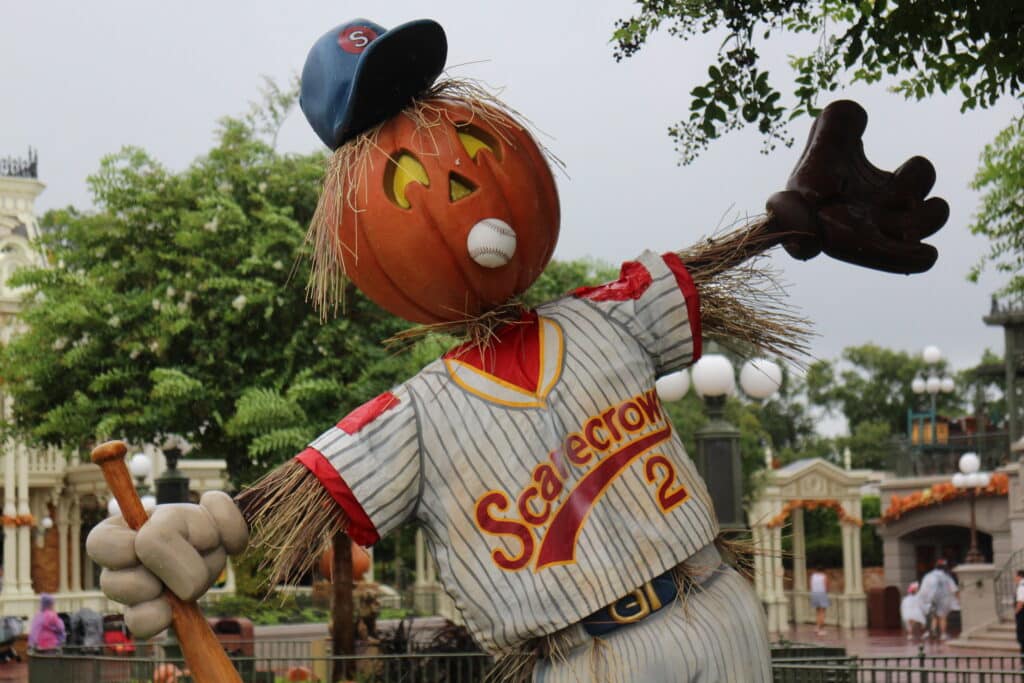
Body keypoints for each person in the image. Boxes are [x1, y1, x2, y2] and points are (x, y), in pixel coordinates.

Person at [84, 18, 950, 683]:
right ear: (360, 240)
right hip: (577, 658)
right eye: (410, 185)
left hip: (715, 607)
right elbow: (271, 509)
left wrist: (788, 216)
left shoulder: (606, 317)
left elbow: (704, 271)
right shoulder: (414, 415)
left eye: (472, 155)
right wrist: (191, 535)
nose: (460, 198)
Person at [918, 558, 959, 640]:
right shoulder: (946, 577)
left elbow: (923, 589)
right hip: (944, 599)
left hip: (932, 599)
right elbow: (954, 589)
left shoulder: (928, 575)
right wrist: (958, 598)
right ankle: (943, 634)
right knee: (942, 617)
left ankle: (933, 631)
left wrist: (924, 600)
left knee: (934, 616)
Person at [809, 567, 830, 636]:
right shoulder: (824, 576)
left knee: (817, 612)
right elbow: (826, 586)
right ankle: (820, 629)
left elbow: (811, 586)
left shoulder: (813, 576)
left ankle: (817, 627)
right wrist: (826, 593)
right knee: (822, 612)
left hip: (814, 594)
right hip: (822, 593)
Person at [1015, 570, 1024, 656]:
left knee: (1021, 637)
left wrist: (1016, 612)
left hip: (1022, 614)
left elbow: (1020, 602)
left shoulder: (1021, 587)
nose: (1015, 578)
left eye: (1016, 576)